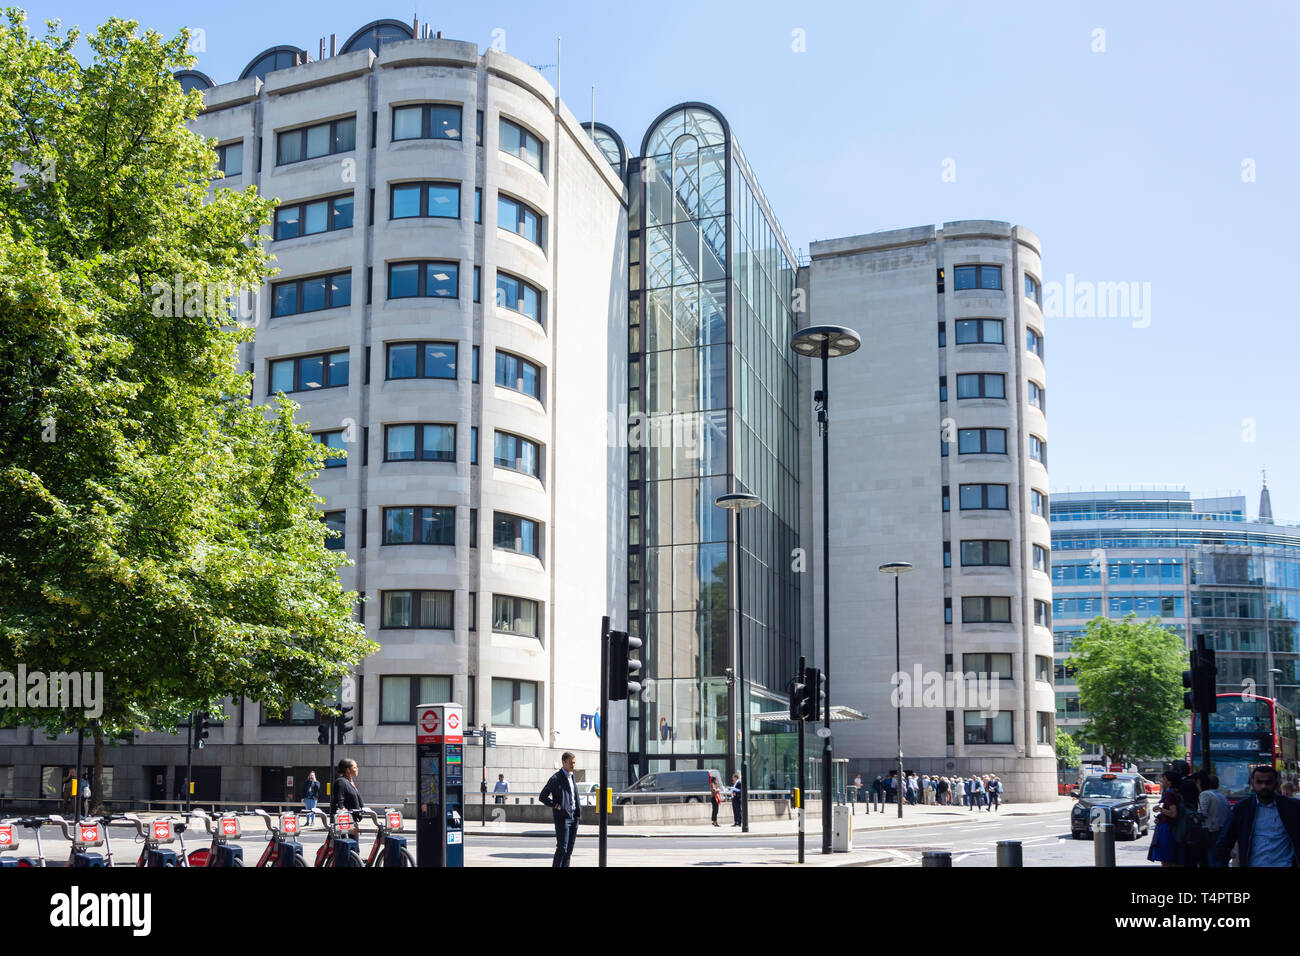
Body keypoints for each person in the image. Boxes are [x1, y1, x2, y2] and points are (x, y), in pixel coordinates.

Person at [1215, 764, 1300, 867]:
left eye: (1268, 782)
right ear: (1252, 784)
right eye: (1259, 782)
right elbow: (1225, 842)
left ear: (1276, 783)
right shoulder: (1242, 809)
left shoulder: (1293, 807)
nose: (1264, 786)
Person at [539, 752, 581, 867]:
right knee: (562, 849)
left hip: (574, 818)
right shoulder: (555, 778)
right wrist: (556, 805)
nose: (573, 765)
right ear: (563, 762)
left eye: (574, 763)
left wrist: (577, 814)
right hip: (562, 818)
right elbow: (542, 796)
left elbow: (574, 796)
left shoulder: (572, 776)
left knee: (569, 851)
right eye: (571, 763)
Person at [1148, 770, 1185, 867]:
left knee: (1166, 859)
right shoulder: (1177, 792)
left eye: (1164, 779)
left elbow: (1173, 813)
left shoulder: (1169, 794)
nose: (1161, 781)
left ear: (1169, 782)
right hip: (1173, 828)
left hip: (1167, 829)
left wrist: (1160, 809)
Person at [1195, 771, 1230, 866]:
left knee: (1211, 856)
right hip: (1221, 829)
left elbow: (1202, 813)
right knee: (1218, 857)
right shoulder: (1222, 796)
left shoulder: (1205, 794)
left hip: (1210, 830)